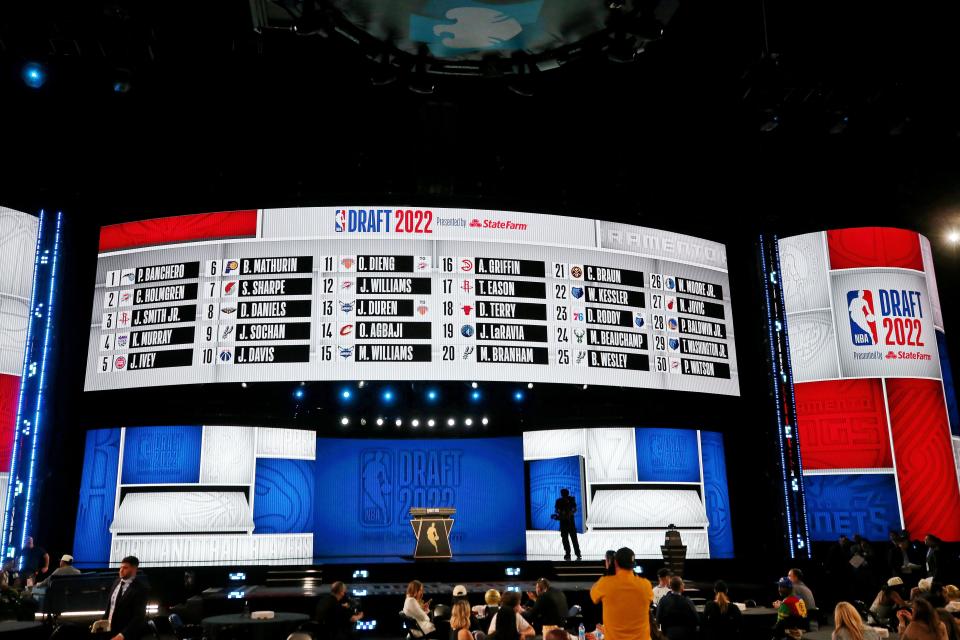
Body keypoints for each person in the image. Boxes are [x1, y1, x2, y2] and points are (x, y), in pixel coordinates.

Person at [590, 547, 654, 640]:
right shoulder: (646, 585)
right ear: (633, 564)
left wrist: (609, 571)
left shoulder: (605, 583)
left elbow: (593, 595)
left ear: (615, 562)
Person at [100, 555, 148, 640]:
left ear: (134, 569)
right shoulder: (116, 582)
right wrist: (102, 622)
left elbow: (138, 617)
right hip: (109, 631)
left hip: (126, 635)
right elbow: (111, 607)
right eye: (120, 567)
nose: (121, 570)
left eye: (125, 568)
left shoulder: (141, 589)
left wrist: (122, 635)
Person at [554, 489, 581, 561]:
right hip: (564, 522)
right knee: (566, 539)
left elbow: (574, 509)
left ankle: (577, 553)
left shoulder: (571, 499)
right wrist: (561, 513)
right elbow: (556, 510)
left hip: (570, 522)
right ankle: (568, 553)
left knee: (573, 539)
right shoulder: (559, 501)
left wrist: (570, 513)